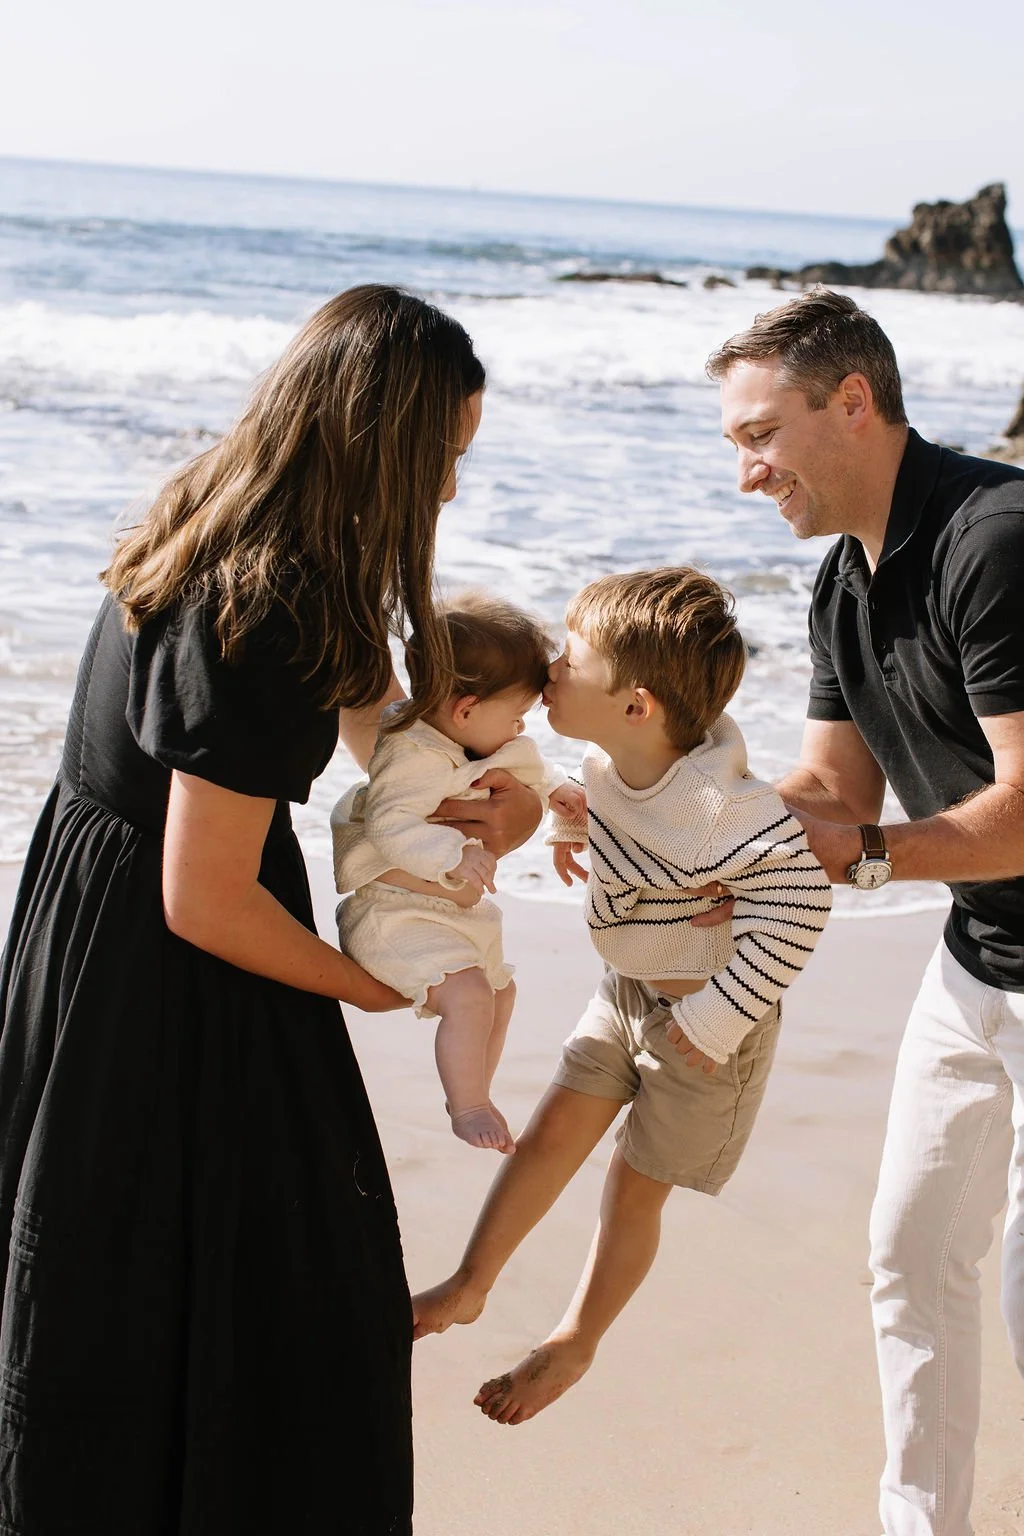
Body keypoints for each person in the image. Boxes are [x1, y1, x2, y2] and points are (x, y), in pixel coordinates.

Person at [0, 283, 518, 1535]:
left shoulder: (219, 515)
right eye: (440, 457)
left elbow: (368, 720)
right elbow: (205, 899)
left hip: (88, 930)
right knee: (290, 1312)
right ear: (377, 441)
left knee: (143, 1299)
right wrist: (377, 982)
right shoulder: (272, 598)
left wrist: (479, 795)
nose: (448, 490)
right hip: (160, 969)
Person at [707, 287, 1024, 1536]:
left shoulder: (992, 539)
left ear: (852, 403)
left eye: (758, 435)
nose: (745, 474)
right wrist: (657, 807)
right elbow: (828, 794)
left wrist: (878, 857)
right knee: (910, 1267)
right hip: (978, 962)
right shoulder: (843, 579)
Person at [411, 566, 832, 1423]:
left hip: (714, 1027)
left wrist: (715, 1019)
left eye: (571, 658)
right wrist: (569, 823)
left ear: (636, 704)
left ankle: (575, 1339)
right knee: (551, 1133)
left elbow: (798, 907)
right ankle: (470, 1284)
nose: (551, 669)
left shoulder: (729, 809)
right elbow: (592, 793)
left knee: (634, 1187)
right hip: (627, 990)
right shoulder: (610, 754)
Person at [332, 593, 585, 1154]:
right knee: (470, 998)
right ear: (466, 709)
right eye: (518, 715)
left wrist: (558, 789)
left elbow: (524, 766)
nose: (523, 727)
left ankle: (471, 1089)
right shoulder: (410, 754)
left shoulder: (474, 734)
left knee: (501, 991)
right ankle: (468, 1105)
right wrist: (450, 854)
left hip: (447, 912)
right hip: (393, 913)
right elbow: (388, 825)